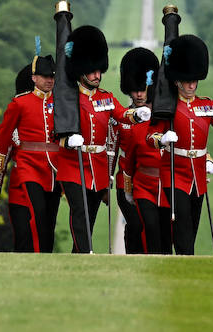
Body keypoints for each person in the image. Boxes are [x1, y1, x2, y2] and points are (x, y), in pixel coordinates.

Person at [148, 34, 213, 255]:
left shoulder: (206, 104)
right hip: (175, 172)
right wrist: (163, 139)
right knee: (182, 221)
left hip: (197, 174)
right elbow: (151, 135)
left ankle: (186, 256)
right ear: (177, 80)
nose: (192, 85)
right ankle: (186, 258)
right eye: (188, 81)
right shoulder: (168, 106)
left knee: (193, 223)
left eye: (194, 81)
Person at [56, 24, 151, 253]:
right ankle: (88, 253)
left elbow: (121, 114)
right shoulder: (68, 98)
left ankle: (79, 256)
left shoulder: (106, 98)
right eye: (92, 71)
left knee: (90, 217)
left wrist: (136, 114)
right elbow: (53, 130)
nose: (97, 75)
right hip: (73, 166)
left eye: (99, 70)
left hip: (97, 169)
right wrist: (67, 141)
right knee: (80, 213)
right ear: (81, 70)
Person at [0, 49, 62, 252]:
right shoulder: (20, 103)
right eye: (45, 76)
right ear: (34, 78)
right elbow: (2, 144)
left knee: (48, 224)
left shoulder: (61, 103)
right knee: (35, 220)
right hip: (28, 168)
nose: (49, 80)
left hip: (54, 172)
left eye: (52, 76)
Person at [115, 46, 158, 253]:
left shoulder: (162, 117)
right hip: (126, 184)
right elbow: (111, 151)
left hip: (156, 182)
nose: (139, 94)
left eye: (143, 88)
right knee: (136, 225)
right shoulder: (123, 117)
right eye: (135, 89)